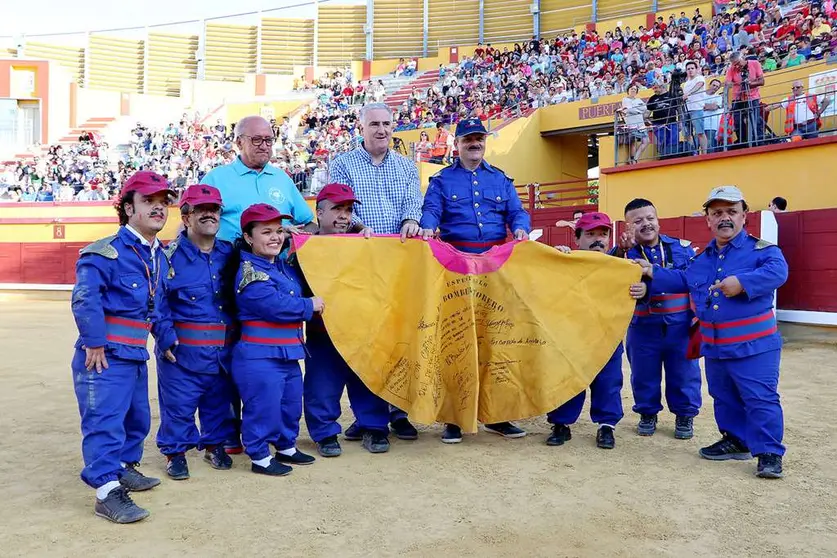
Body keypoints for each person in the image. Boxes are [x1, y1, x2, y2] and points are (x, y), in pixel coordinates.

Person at [636, 186, 788, 479]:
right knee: (723, 395)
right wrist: (650, 270)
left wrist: (742, 283)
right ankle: (735, 440)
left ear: (744, 215)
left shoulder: (763, 250)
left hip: (754, 345)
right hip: (716, 344)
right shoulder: (701, 258)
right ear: (707, 219)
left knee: (759, 397)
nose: (724, 218)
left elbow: (778, 272)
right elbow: (682, 279)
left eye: (731, 211)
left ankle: (769, 453)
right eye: (717, 213)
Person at [70, 171, 176, 523]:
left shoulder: (157, 255)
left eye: (163, 203)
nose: (159, 209)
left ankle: (123, 467)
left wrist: (166, 338)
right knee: (104, 421)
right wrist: (94, 342)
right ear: (129, 208)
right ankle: (105, 491)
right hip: (105, 353)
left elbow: (156, 305)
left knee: (136, 418)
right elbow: (86, 299)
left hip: (134, 352)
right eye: (149, 202)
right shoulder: (106, 251)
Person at [418, 117, 530, 443]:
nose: (474, 143)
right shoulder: (441, 181)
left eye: (479, 138)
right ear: (457, 144)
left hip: (495, 266)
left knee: (497, 341)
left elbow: (517, 212)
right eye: (468, 139)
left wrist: (521, 226)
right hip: (458, 266)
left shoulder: (501, 180)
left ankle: (498, 415)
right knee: (458, 342)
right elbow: (431, 211)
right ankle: (455, 416)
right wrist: (427, 226)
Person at [329, 102, 423, 441]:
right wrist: (358, 227)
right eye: (374, 125)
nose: (381, 130)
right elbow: (339, 208)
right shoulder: (343, 164)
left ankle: (398, 411)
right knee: (367, 339)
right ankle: (369, 415)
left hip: (399, 264)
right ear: (361, 128)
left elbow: (413, 203)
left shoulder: (407, 166)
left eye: (386, 123)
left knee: (398, 339)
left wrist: (411, 221)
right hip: (362, 263)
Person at [229, 203, 324, 476]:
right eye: (266, 232)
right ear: (248, 237)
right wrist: (310, 305)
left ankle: (286, 446)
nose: (275, 237)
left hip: (286, 352)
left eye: (280, 231)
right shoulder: (250, 271)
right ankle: (259, 455)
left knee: (290, 403)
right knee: (263, 406)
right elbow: (275, 305)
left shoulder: (282, 266)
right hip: (259, 355)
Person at [301, 183, 392, 456]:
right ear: (318, 212)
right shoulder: (304, 243)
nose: (343, 215)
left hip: (360, 323)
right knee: (321, 382)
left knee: (367, 375)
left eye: (348, 210)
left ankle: (374, 426)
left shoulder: (364, 241)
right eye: (336, 209)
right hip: (323, 327)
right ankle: (325, 432)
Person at [154, 184, 236, 480]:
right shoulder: (166, 257)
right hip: (182, 350)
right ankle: (175, 453)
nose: (209, 214)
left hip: (222, 349)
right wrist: (164, 338)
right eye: (200, 210)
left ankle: (214, 444)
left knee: (218, 399)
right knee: (178, 405)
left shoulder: (231, 254)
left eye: (213, 209)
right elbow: (156, 301)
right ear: (186, 217)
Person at [548, 212, 647, 450]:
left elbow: (644, 289)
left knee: (609, 380)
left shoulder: (622, 264)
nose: (597, 240)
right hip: (572, 334)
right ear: (577, 239)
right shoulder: (564, 261)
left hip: (607, 335)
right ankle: (561, 424)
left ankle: (607, 426)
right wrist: (554, 258)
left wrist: (643, 289)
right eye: (590, 234)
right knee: (567, 377)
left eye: (603, 234)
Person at [613, 198, 702, 439]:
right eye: (638, 221)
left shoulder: (682, 248)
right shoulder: (622, 252)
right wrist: (621, 252)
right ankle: (647, 413)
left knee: (684, 373)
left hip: (679, 325)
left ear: (658, 221)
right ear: (627, 226)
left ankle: (685, 415)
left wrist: (649, 286)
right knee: (643, 373)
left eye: (650, 218)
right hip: (642, 325)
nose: (646, 224)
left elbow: (690, 280)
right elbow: (609, 282)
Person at [201, 116, 316, 242]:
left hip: (282, 260)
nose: (264, 146)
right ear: (239, 142)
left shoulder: (282, 178)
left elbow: (307, 224)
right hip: (232, 259)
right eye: (256, 140)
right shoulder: (215, 178)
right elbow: (194, 225)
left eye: (268, 140)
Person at [724, 51, 765, 148]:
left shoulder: (754, 63)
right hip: (738, 98)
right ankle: (742, 143)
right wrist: (728, 84)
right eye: (735, 65)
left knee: (755, 120)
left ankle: (759, 141)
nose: (737, 66)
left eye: (738, 63)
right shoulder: (731, 69)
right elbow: (728, 83)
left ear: (744, 58)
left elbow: (762, 81)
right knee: (737, 122)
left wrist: (750, 84)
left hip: (752, 97)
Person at [617, 83, 650, 164]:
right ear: (628, 90)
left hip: (641, 124)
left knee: (646, 141)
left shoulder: (638, 100)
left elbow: (644, 109)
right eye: (632, 89)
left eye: (635, 89)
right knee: (633, 142)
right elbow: (628, 110)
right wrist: (638, 110)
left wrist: (634, 109)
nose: (633, 90)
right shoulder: (625, 99)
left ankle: (635, 158)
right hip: (632, 124)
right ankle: (632, 160)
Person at [646, 81, 679, 159]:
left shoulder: (671, 95)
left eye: (656, 88)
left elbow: (678, 108)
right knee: (662, 141)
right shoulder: (652, 98)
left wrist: (680, 121)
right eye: (653, 88)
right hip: (658, 124)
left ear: (662, 87)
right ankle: (664, 157)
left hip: (672, 122)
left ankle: (674, 158)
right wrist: (648, 121)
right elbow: (647, 113)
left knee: (673, 141)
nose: (654, 90)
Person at [683, 61, 708, 154]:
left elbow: (699, 85)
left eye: (692, 68)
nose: (690, 70)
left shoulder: (700, 78)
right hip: (686, 110)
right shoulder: (686, 83)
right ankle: (693, 153)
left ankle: (704, 153)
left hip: (696, 109)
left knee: (700, 132)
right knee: (687, 134)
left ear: (696, 69)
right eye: (688, 69)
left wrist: (688, 93)